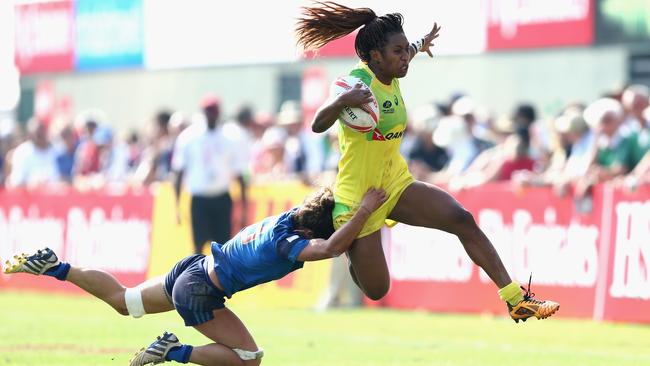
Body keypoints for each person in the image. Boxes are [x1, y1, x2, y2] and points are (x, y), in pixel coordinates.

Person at [295, 1, 559, 322]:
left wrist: (421, 44)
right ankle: (355, 253)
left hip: (395, 184)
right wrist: (341, 102)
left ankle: (516, 299)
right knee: (376, 289)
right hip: (357, 198)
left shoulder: (391, 68)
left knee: (461, 219)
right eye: (399, 52)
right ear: (376, 56)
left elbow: (405, 52)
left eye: (408, 50)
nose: (405, 57)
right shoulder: (356, 83)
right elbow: (317, 125)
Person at [3, 187, 387, 366]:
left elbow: (325, 210)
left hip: (191, 268)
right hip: (201, 291)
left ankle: (57, 267)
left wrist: (356, 200)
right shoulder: (291, 241)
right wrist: (365, 209)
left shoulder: (288, 217)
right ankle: (173, 351)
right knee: (249, 359)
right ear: (308, 234)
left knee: (125, 301)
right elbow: (331, 248)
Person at [173, 94, 248, 254]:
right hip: (200, 199)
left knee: (223, 248)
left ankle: (222, 279)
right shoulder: (189, 137)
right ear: (203, 112)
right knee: (198, 246)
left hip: (221, 197)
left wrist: (243, 208)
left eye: (214, 111)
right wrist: (177, 205)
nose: (211, 114)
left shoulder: (230, 137)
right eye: (208, 111)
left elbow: (241, 174)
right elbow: (179, 172)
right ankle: (198, 279)